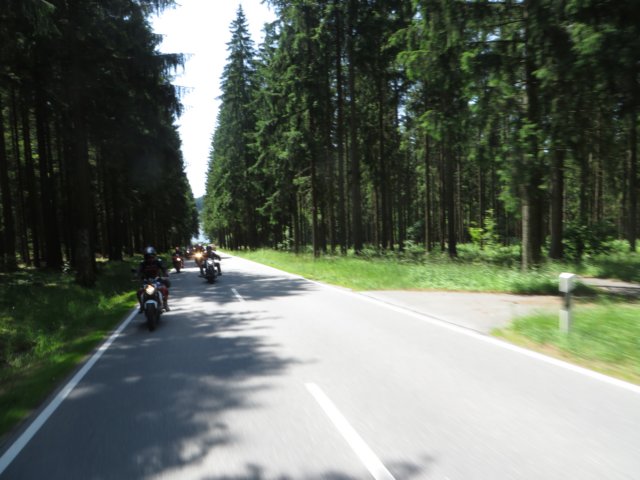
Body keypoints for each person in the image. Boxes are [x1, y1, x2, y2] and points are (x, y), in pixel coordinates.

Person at [137, 246, 171, 312]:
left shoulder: (158, 261)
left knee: (164, 288)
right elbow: (138, 270)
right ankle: (141, 305)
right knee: (139, 291)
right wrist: (136, 275)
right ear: (145, 257)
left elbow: (164, 268)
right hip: (146, 281)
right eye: (148, 257)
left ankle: (165, 303)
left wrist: (166, 273)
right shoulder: (142, 263)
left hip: (157, 279)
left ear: (154, 256)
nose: (150, 258)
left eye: (151, 256)